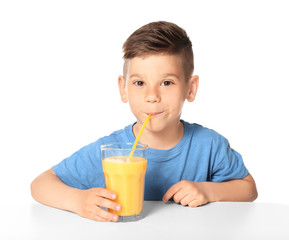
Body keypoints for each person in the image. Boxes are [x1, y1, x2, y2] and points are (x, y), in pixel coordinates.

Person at [31, 21, 258, 222]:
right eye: (139, 83)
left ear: (191, 88)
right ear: (123, 88)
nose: (152, 96)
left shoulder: (209, 145)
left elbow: (249, 189)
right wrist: (78, 200)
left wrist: (208, 191)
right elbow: (40, 184)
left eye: (166, 83)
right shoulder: (110, 151)